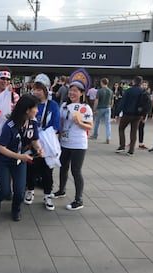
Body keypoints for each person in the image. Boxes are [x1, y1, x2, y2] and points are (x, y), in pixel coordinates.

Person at [0, 94, 44, 221]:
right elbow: (1, 148)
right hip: (3, 160)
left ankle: (16, 210)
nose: (37, 111)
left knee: (20, 190)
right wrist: (20, 156)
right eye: (35, 108)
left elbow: (34, 140)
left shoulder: (32, 123)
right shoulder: (9, 125)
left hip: (20, 161)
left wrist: (39, 148)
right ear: (27, 110)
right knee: (5, 191)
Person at [53, 69, 93, 210]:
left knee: (76, 171)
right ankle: (61, 190)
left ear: (82, 93)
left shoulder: (85, 108)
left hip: (79, 143)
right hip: (64, 141)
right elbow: (60, 122)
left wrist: (79, 122)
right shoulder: (64, 106)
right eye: (71, 90)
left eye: (76, 91)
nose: (72, 93)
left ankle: (79, 200)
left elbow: (90, 126)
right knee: (63, 167)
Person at [24, 74, 60, 211]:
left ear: (45, 90)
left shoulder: (53, 105)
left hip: (47, 143)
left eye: (39, 89)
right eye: (35, 89)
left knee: (47, 170)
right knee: (31, 168)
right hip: (32, 142)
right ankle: (30, 190)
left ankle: (47, 195)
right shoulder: (30, 103)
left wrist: (45, 140)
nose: (36, 92)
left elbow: (56, 126)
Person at [0, 66, 19, 170]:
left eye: (7, 79)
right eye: (2, 78)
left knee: (9, 162)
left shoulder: (14, 96)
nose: (5, 81)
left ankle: (6, 185)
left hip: (9, 135)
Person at [115, 76, 144, 156]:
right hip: (138, 114)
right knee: (133, 131)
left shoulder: (129, 90)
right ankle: (131, 150)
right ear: (141, 82)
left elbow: (122, 102)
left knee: (121, 128)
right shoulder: (143, 91)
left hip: (127, 113)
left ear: (133, 81)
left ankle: (122, 146)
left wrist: (117, 113)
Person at [89, 78, 113, 144]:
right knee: (108, 123)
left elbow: (96, 100)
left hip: (100, 108)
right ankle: (108, 137)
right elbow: (112, 101)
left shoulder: (99, 91)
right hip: (107, 107)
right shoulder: (110, 91)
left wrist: (94, 109)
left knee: (97, 122)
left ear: (102, 83)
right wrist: (110, 106)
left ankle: (95, 135)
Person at [138, 80, 151, 149]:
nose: (144, 86)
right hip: (136, 113)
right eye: (143, 85)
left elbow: (148, 106)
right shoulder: (138, 93)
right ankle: (132, 141)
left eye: (145, 85)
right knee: (133, 128)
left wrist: (145, 116)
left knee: (141, 128)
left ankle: (141, 143)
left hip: (142, 114)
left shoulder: (147, 94)